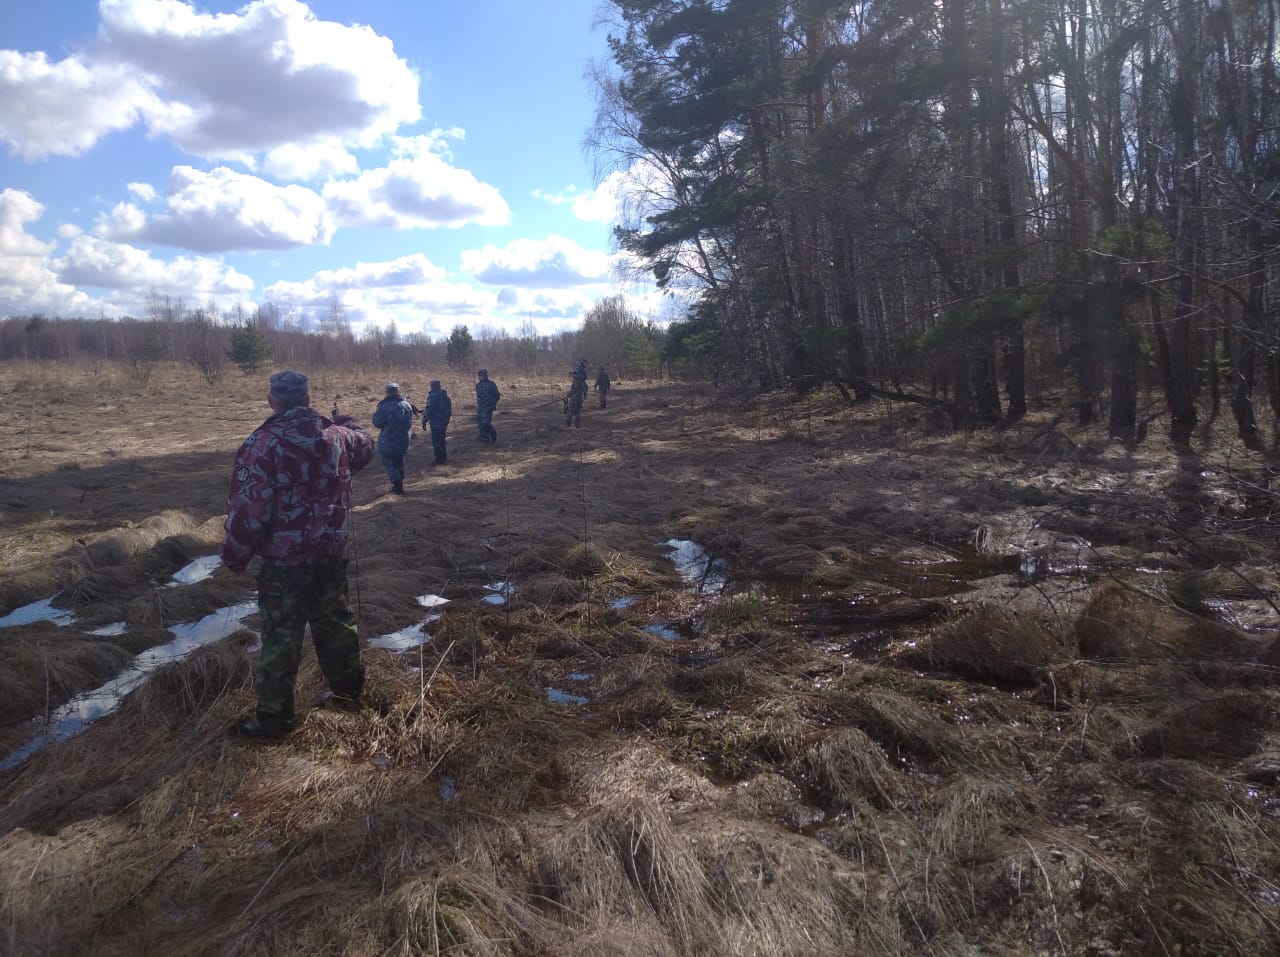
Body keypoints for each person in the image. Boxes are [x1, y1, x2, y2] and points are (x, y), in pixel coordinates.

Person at [220, 370, 375, 739]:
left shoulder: (260, 445)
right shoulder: (338, 437)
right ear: (307, 400)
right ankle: (350, 696)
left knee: (280, 639)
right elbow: (366, 445)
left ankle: (275, 720)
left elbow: (248, 513)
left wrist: (234, 557)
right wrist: (344, 420)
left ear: (271, 401)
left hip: (283, 564)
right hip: (328, 557)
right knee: (336, 626)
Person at [372, 382, 414, 495]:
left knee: (388, 460)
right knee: (399, 460)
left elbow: (377, 422)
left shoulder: (384, 406)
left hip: (388, 440)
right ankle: (399, 482)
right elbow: (410, 422)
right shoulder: (407, 405)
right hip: (403, 439)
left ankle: (397, 485)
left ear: (387, 392)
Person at [422, 379, 452, 464]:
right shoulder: (445, 395)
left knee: (436, 441)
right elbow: (449, 409)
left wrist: (424, 420)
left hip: (436, 421)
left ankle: (439, 460)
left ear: (432, 386)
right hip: (444, 421)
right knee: (442, 440)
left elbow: (429, 408)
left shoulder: (433, 396)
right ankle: (443, 457)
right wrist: (446, 420)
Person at [475, 368, 500, 443]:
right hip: (480, 408)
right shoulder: (478, 385)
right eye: (480, 376)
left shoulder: (491, 384)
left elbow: (497, 396)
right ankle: (485, 441)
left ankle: (493, 434)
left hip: (488, 408)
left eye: (482, 375)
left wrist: (492, 403)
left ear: (486, 375)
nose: (481, 377)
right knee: (480, 425)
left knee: (486, 423)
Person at [564, 363, 588, 428]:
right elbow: (586, 387)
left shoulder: (577, 381)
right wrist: (584, 395)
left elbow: (574, 390)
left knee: (570, 411)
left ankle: (568, 425)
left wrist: (568, 395)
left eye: (572, 374)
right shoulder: (582, 381)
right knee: (577, 412)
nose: (572, 376)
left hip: (574, 398)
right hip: (580, 398)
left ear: (575, 374)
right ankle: (577, 425)